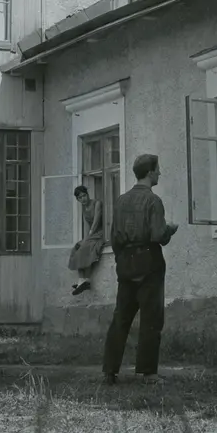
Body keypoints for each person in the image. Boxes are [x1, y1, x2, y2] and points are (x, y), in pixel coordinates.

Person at [101, 153, 178, 385]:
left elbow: (114, 237)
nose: (160, 173)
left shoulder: (121, 201)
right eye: (157, 169)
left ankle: (109, 371)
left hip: (125, 263)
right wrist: (170, 230)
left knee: (121, 318)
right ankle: (148, 373)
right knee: (151, 318)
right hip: (149, 261)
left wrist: (123, 259)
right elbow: (158, 235)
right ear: (150, 172)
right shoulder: (153, 201)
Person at [67, 185, 105, 295]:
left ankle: (84, 281)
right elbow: (88, 226)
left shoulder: (97, 203)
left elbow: (96, 222)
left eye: (84, 195)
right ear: (77, 199)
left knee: (84, 247)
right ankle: (82, 280)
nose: (83, 199)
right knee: (76, 248)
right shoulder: (84, 209)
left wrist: (88, 237)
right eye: (80, 197)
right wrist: (85, 239)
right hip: (92, 234)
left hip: (101, 233)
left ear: (88, 195)